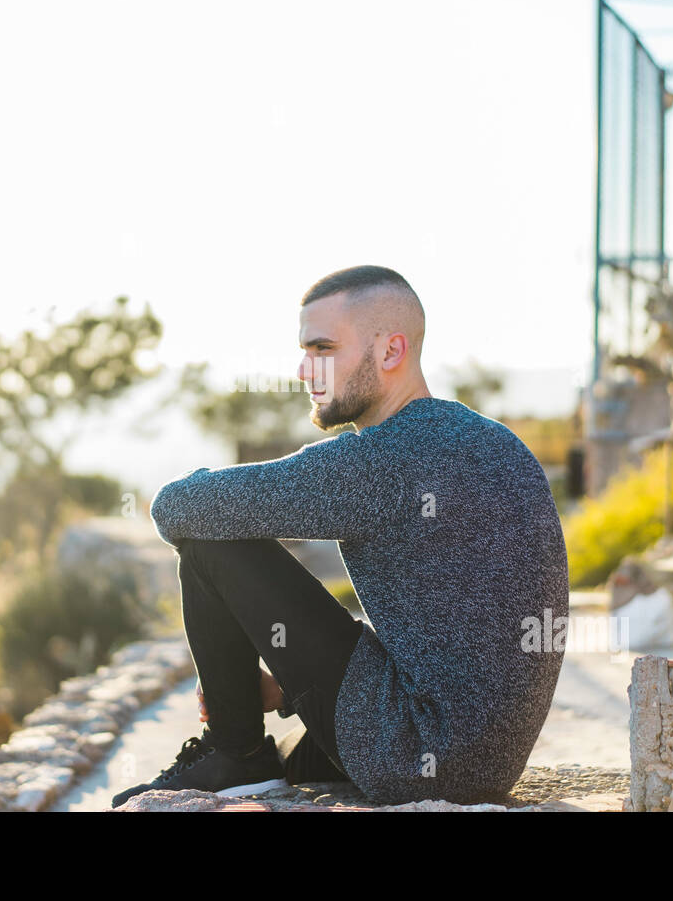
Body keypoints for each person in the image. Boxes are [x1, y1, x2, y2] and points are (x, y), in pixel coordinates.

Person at [111, 265, 568, 808]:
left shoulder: (382, 460)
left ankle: (236, 754)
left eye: (323, 349)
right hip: (472, 757)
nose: (306, 371)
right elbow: (450, 623)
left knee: (211, 541)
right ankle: (257, 752)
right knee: (304, 757)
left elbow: (176, 509)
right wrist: (281, 688)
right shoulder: (488, 440)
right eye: (304, 351)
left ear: (391, 351)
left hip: (414, 756)